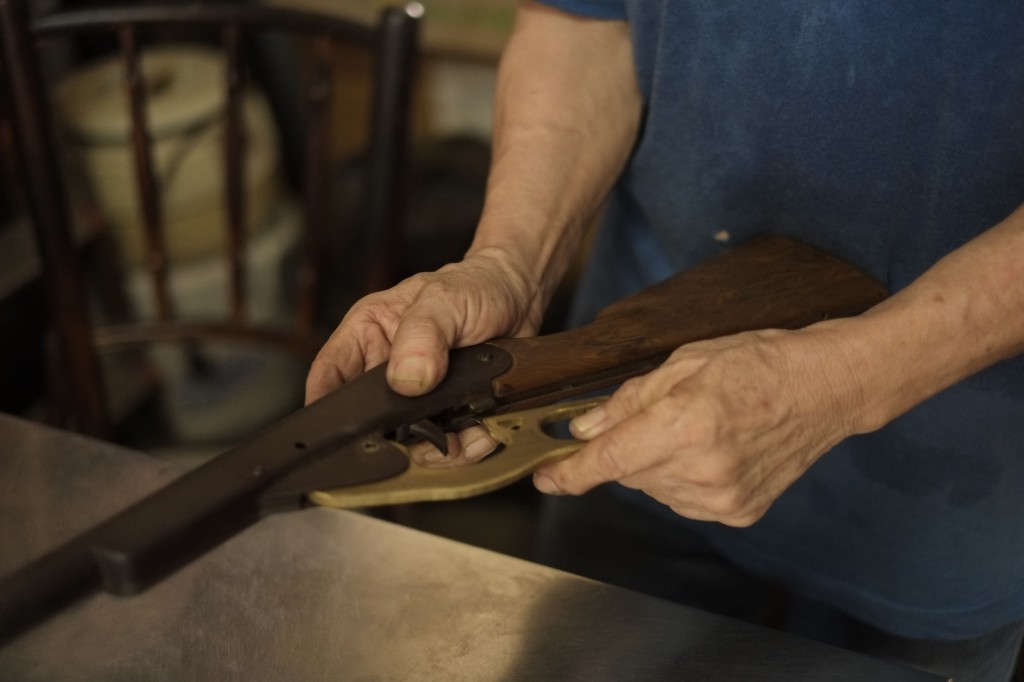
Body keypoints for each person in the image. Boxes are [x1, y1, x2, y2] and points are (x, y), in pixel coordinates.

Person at [306, 2, 1024, 679]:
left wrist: (848, 379)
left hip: (956, 481)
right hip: (625, 403)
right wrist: (508, 262)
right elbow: (587, 20)